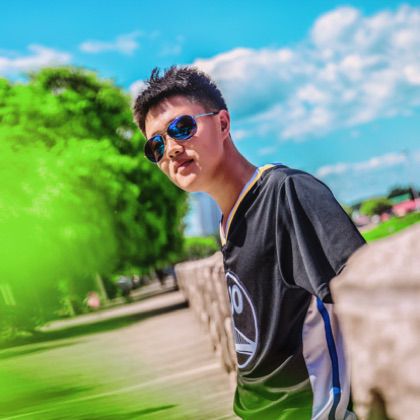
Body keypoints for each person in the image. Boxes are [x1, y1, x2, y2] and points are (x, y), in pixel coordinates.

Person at [133, 66, 365, 420]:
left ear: (223, 123)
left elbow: (366, 289)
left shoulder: (286, 193)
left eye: (182, 127)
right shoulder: (229, 224)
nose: (172, 149)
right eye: (157, 145)